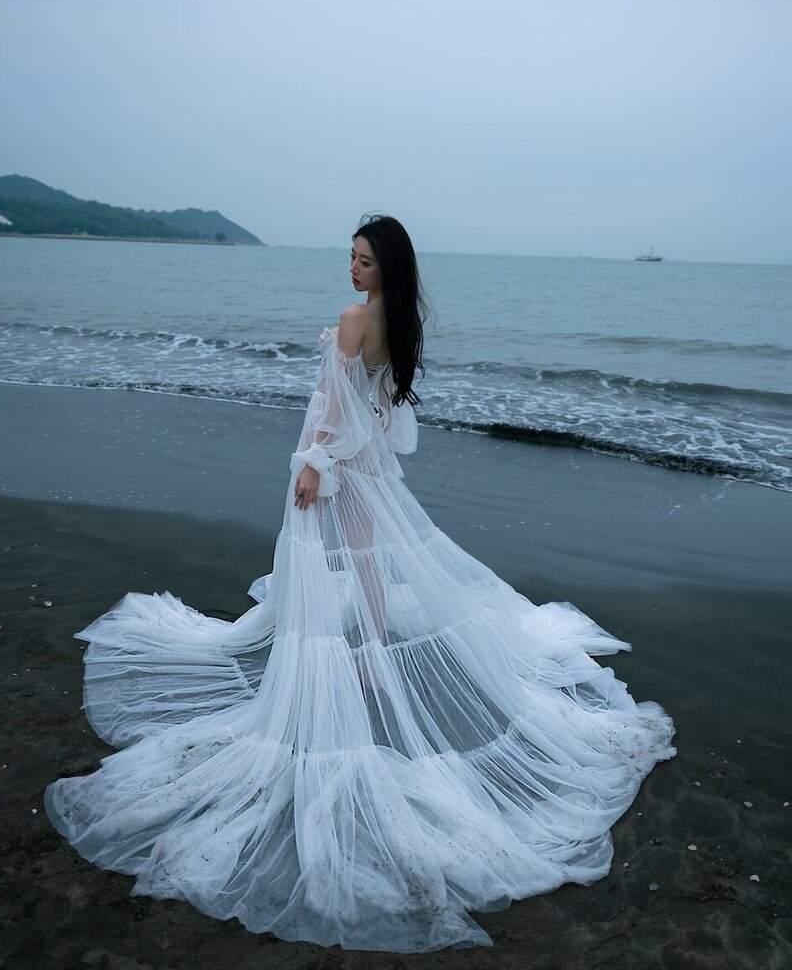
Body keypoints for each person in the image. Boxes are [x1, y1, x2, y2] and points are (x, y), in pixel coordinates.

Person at [45, 214, 676, 953]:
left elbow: (337, 407)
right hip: (369, 461)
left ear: (387, 267)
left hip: (335, 460)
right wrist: (348, 452)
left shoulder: (354, 320)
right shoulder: (399, 323)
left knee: (323, 559)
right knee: (371, 558)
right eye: (350, 258)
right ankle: (372, 649)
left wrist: (315, 463)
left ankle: (346, 656)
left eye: (365, 260)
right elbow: (381, 408)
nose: (353, 269)